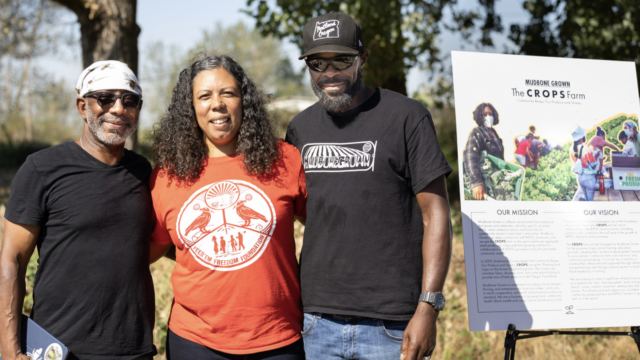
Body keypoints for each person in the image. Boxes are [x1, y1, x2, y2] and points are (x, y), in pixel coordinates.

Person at [286, 12, 452, 360]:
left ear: (362, 58)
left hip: (391, 326)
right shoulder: (299, 129)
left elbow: (435, 215)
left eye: (341, 60)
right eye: (317, 63)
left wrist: (428, 307)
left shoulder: (407, 116)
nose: (329, 73)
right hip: (316, 322)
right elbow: (306, 211)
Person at [149, 55, 306, 359]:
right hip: (195, 340)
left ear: (244, 101)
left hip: (278, 338)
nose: (217, 104)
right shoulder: (167, 176)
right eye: (204, 96)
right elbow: (150, 250)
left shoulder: (285, 159)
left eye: (228, 93)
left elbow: (325, 230)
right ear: (191, 108)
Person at [0, 61, 156, 360]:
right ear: (82, 106)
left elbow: (153, 243)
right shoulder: (42, 168)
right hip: (57, 349)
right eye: (105, 98)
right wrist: (10, 351)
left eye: (129, 100)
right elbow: (12, 262)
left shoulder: (142, 171)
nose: (119, 108)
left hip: (133, 349)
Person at [463, 103, 505, 200]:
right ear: (479, 116)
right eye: (485, 114)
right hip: (486, 180)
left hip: (497, 177)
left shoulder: (494, 133)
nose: (488, 117)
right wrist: (476, 182)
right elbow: (470, 156)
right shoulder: (477, 132)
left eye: (490, 114)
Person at [571, 125, 601, 201]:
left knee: (586, 198)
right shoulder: (586, 149)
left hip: (580, 178)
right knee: (591, 202)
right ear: (581, 138)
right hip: (588, 178)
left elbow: (578, 161)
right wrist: (596, 156)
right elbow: (593, 166)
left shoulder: (571, 149)